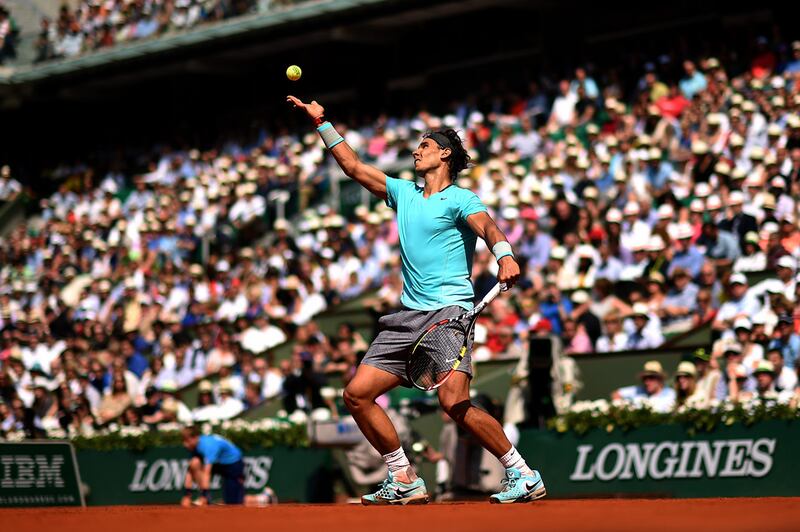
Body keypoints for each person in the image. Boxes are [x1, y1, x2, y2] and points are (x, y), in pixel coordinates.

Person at [288, 95, 543, 505]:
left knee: (454, 403)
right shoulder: (403, 192)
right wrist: (322, 123)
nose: (415, 151)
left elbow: (489, 229)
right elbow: (353, 167)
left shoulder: (461, 199)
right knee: (356, 394)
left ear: (444, 154)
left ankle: (522, 473)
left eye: (423, 145)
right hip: (407, 316)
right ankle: (404, 476)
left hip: (448, 313)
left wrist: (505, 254)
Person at [181, 426, 245, 506]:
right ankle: (205, 497)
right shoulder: (195, 446)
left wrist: (204, 496)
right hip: (218, 463)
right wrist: (187, 495)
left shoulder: (208, 446)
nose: (185, 444)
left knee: (233, 502)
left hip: (233, 463)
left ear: (195, 437)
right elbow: (190, 470)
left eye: (187, 441)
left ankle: (205, 497)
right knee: (194, 463)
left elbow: (206, 473)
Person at [612, 360, 676, 413]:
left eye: (651, 378)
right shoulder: (637, 390)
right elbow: (616, 394)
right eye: (645, 378)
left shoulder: (671, 394)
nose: (647, 382)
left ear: (660, 379)